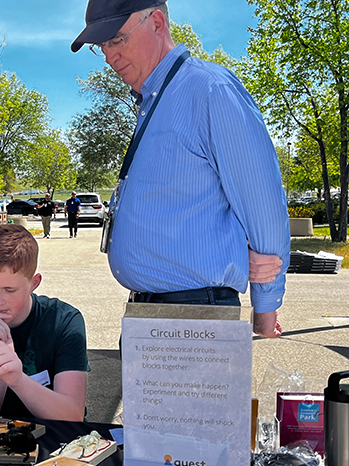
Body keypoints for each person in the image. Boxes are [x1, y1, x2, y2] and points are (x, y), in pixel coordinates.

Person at [71, 0, 288, 337]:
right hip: (153, 309)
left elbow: (263, 205)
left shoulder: (210, 90)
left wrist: (265, 307)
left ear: (157, 22)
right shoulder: (156, 99)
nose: (110, 57)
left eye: (117, 40)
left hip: (194, 312)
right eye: (102, 47)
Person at [0, 224, 88, 421]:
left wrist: (17, 379)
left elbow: (72, 417)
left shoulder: (63, 322)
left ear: (34, 283)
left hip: (56, 443)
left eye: (9, 290)